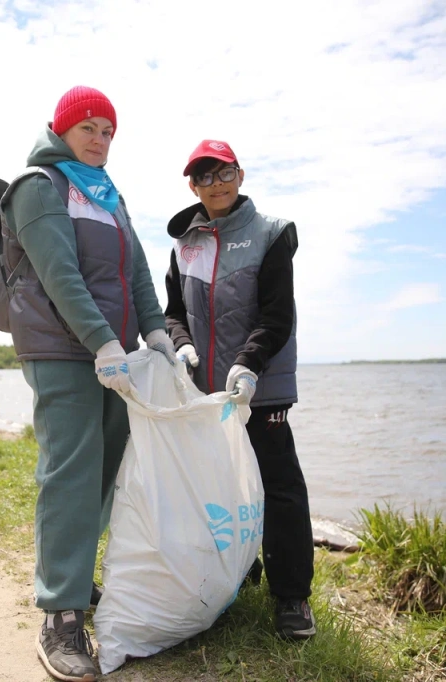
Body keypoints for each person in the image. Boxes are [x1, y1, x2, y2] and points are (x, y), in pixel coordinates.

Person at [2, 85, 174, 682]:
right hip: (63, 351)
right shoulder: (39, 187)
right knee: (71, 474)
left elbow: (137, 270)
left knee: (105, 471)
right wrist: (102, 342)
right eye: (89, 128)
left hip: (115, 357)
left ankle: (74, 577)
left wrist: (157, 333)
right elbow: (60, 274)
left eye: (108, 131)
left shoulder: (106, 193)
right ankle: (60, 614)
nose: (100, 140)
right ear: (62, 129)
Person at [164, 139, 315, 640]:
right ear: (193, 186)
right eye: (204, 177)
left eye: (224, 172)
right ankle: (239, 575)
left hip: (260, 388)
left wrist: (248, 363)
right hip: (207, 396)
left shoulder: (271, 233)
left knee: (279, 487)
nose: (217, 184)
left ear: (241, 175)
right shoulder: (183, 244)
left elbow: (277, 314)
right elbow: (173, 313)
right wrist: (182, 345)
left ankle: (291, 598)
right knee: (221, 488)